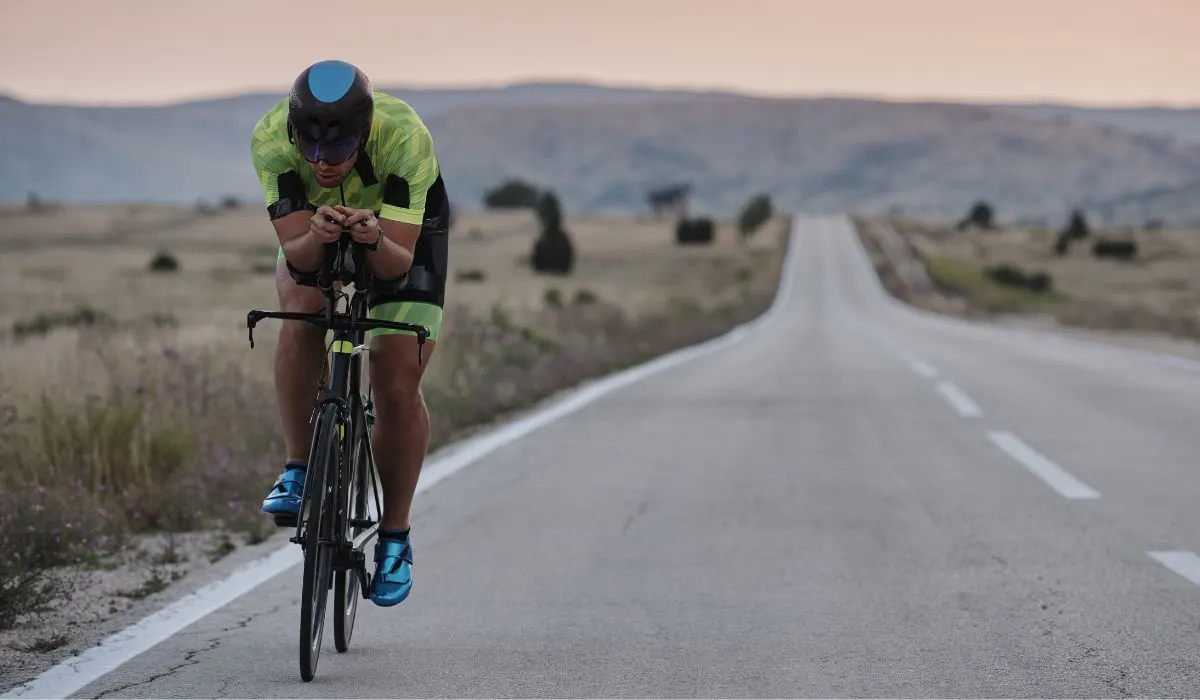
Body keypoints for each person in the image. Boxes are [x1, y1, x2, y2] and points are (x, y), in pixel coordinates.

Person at [249, 59, 449, 607]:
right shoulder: (270, 138)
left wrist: (371, 236)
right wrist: (317, 238)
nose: (321, 163)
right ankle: (296, 466)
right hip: (318, 227)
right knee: (300, 305)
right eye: (310, 151)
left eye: (336, 152)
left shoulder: (405, 137)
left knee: (395, 375)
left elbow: (395, 266)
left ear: (363, 135)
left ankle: (395, 536)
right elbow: (296, 255)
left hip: (405, 236)